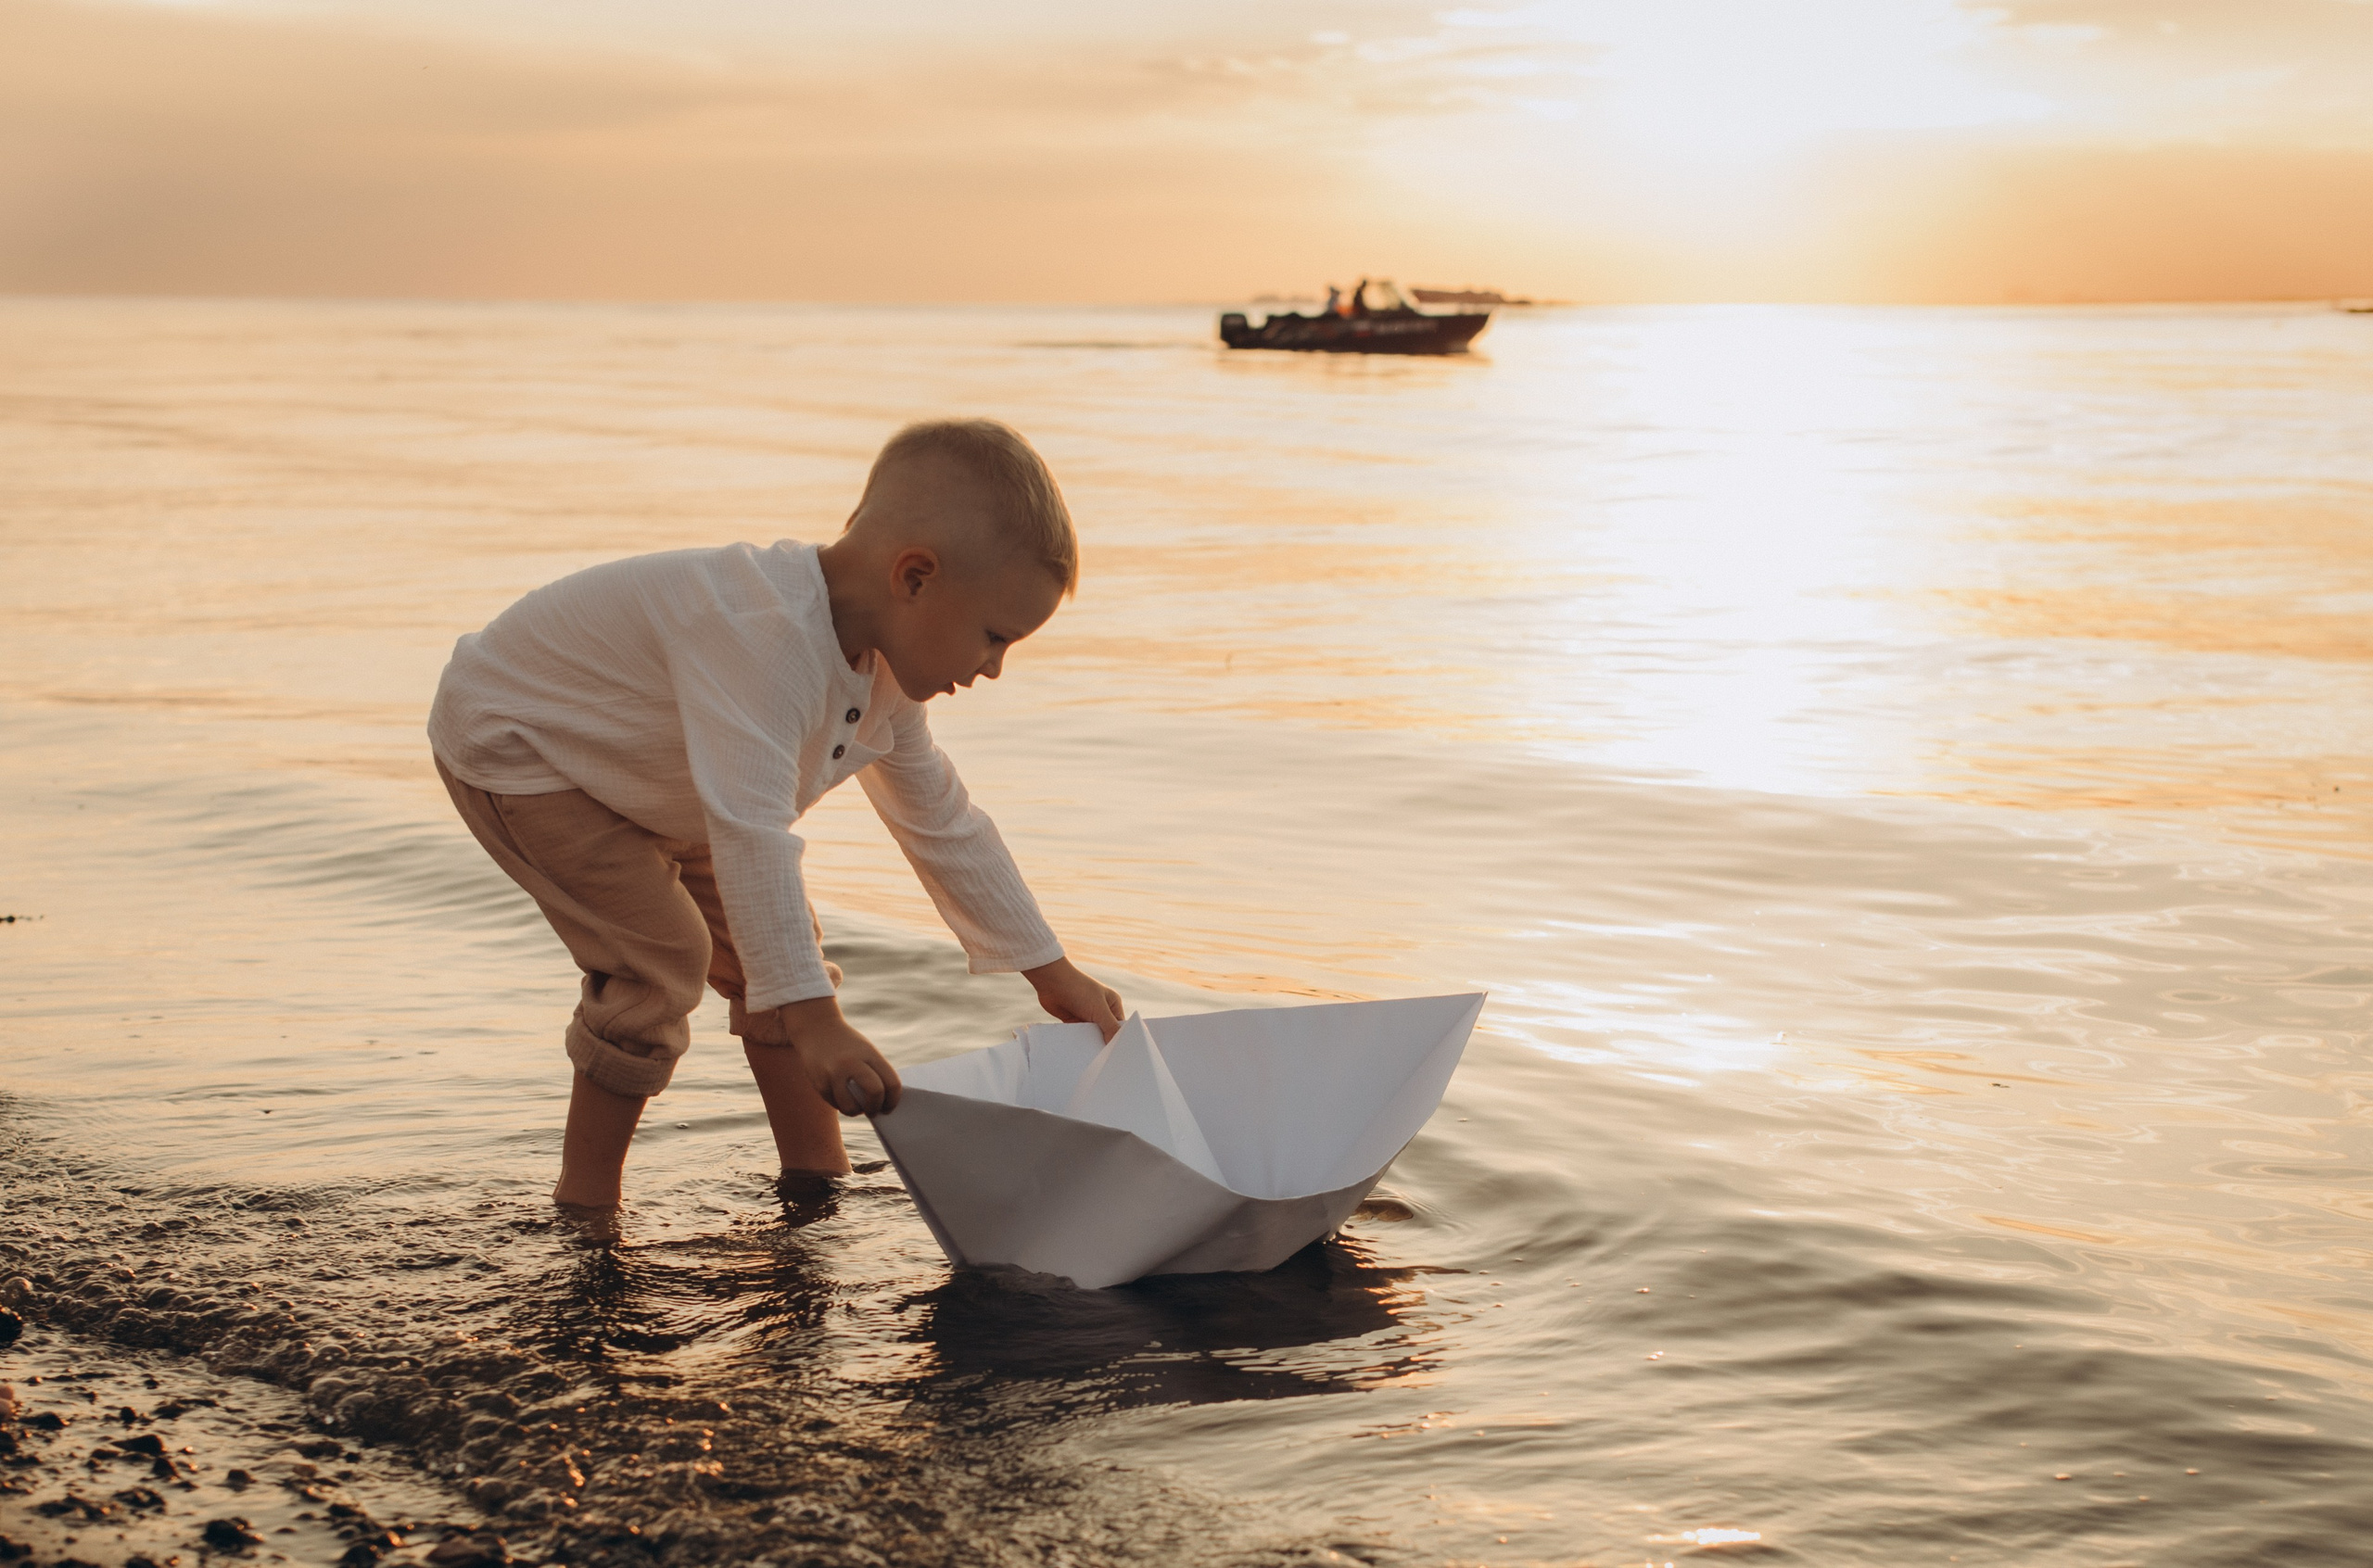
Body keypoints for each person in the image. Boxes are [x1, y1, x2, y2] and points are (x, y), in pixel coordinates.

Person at [426, 418, 1125, 1207]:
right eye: (995, 637)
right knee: (664, 960)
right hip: (525, 746)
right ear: (916, 578)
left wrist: (1049, 968)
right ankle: (585, 1208)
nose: (994, 667)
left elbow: (943, 824)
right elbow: (753, 833)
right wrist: (818, 1024)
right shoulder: (763, 640)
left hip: (657, 774)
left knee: (786, 958)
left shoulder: (884, 675)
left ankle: (817, 1181)